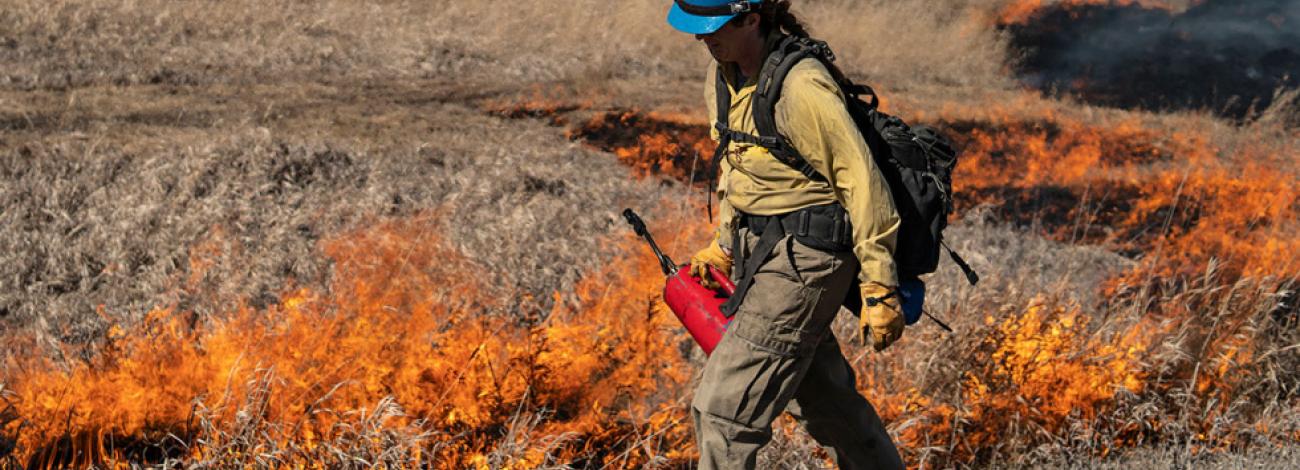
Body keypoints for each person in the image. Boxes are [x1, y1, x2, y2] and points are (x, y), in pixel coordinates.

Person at [666, 1, 907, 468]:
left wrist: (880, 283)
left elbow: (862, 183)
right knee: (825, 403)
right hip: (762, 253)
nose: (702, 39)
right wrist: (723, 243)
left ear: (752, 18)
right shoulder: (725, 74)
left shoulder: (802, 86)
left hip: (807, 258)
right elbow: (738, 168)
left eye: (713, 28)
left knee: (722, 413)